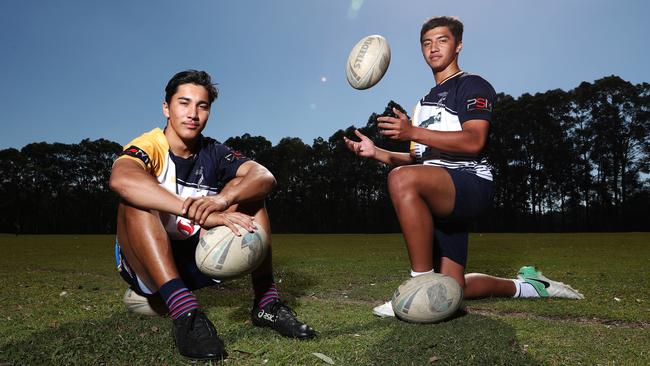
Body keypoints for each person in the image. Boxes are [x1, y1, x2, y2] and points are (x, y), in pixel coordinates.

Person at [343, 16, 583, 318]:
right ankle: (531, 286)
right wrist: (375, 151)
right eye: (427, 43)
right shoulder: (424, 103)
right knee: (451, 292)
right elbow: (421, 162)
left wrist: (412, 132)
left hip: (470, 183)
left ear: (458, 45)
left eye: (442, 40)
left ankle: (419, 284)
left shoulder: (472, 85)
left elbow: (474, 141)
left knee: (401, 180)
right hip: (439, 189)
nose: (433, 48)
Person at [109, 70, 315, 360]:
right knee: (132, 201)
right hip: (145, 260)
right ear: (166, 108)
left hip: (197, 259)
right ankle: (185, 313)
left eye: (202, 106)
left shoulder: (214, 151)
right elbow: (122, 179)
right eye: (184, 103)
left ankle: (266, 304)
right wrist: (191, 210)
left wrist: (222, 200)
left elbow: (264, 176)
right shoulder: (151, 144)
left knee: (251, 193)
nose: (193, 113)